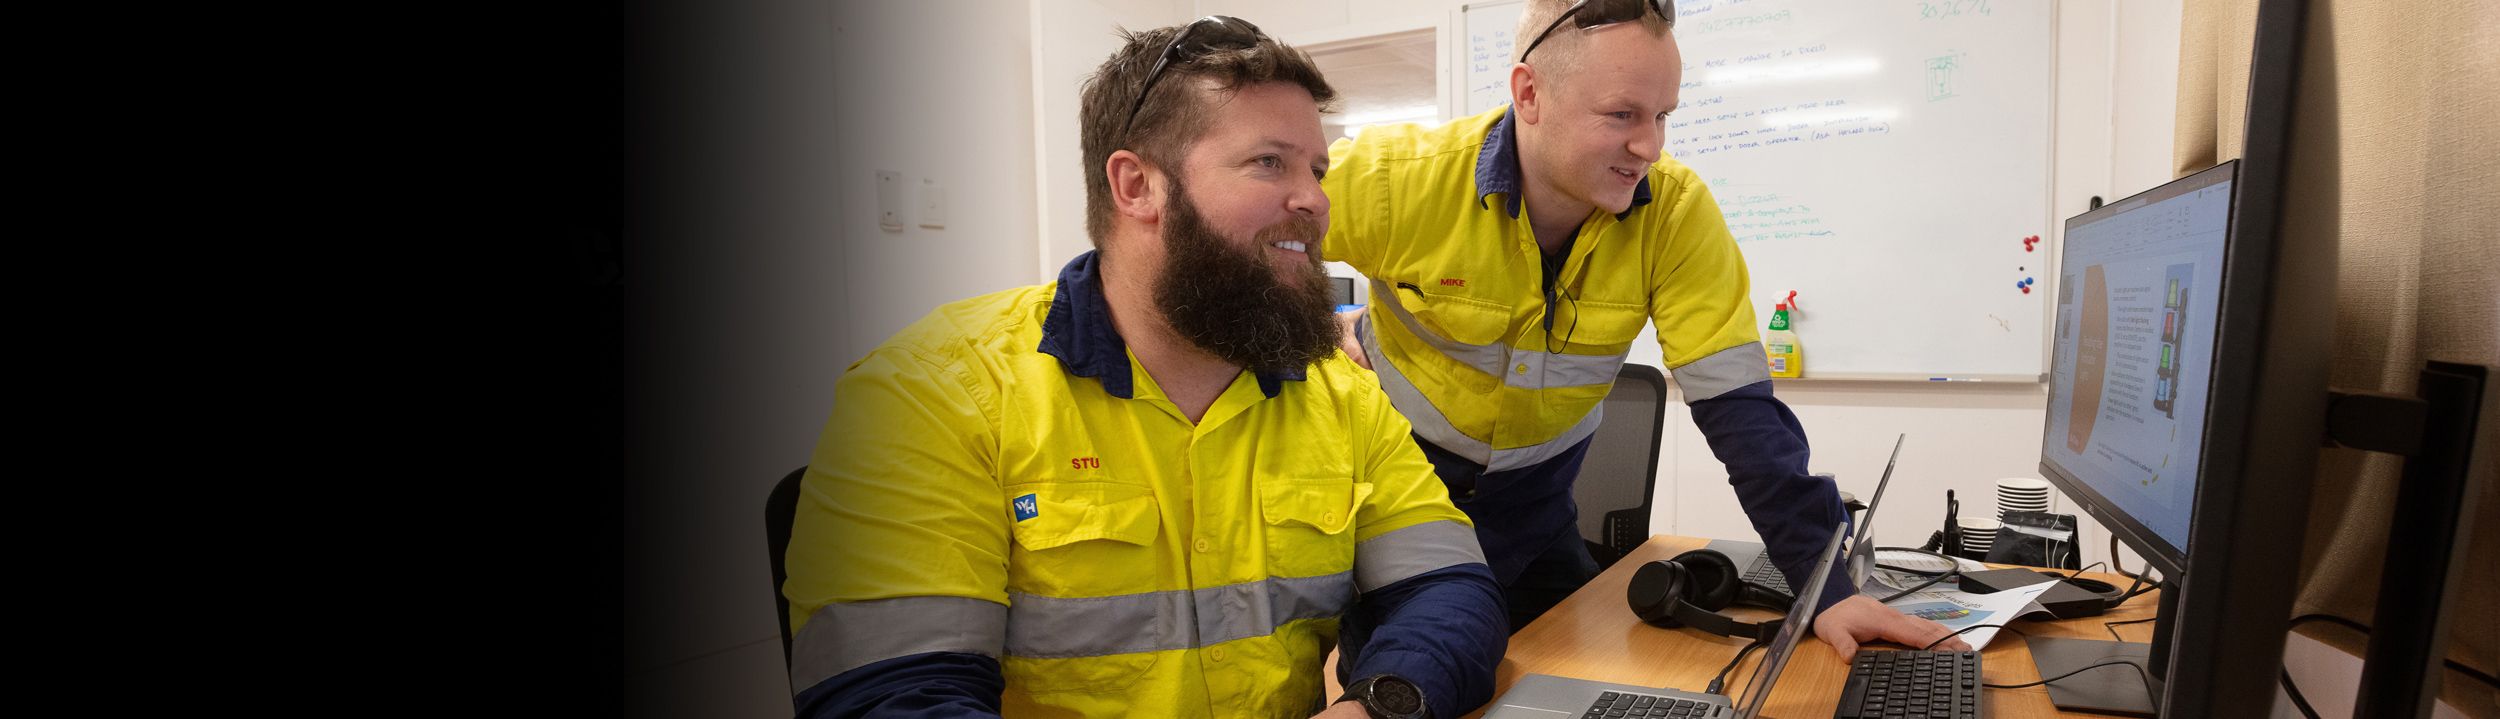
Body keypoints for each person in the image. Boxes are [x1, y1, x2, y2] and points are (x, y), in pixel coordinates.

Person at [783, 17, 1506, 719]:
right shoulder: (932, 393)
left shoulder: (1337, 390)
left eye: (1317, 169)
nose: (1316, 200)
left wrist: (1376, 707)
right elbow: (889, 694)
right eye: (1268, 161)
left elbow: (1452, 592)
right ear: (1136, 187)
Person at [1320, 0, 1967, 656]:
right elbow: (1234, 239)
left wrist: (1828, 588)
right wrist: (1316, 324)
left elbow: (1743, 417)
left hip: (1534, 519)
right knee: (1413, 680)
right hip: (1398, 514)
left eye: (1661, 117)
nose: (1650, 146)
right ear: (1530, 93)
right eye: (1622, 114)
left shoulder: (1676, 214)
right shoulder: (1398, 180)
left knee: (1583, 683)